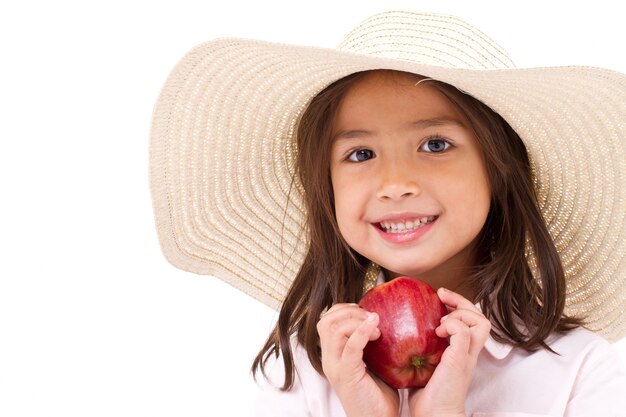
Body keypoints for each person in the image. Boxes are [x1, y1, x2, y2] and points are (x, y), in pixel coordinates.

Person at [149, 11, 626, 416]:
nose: (396, 184)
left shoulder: (579, 371)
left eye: (435, 144)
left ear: (499, 171)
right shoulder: (302, 373)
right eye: (360, 154)